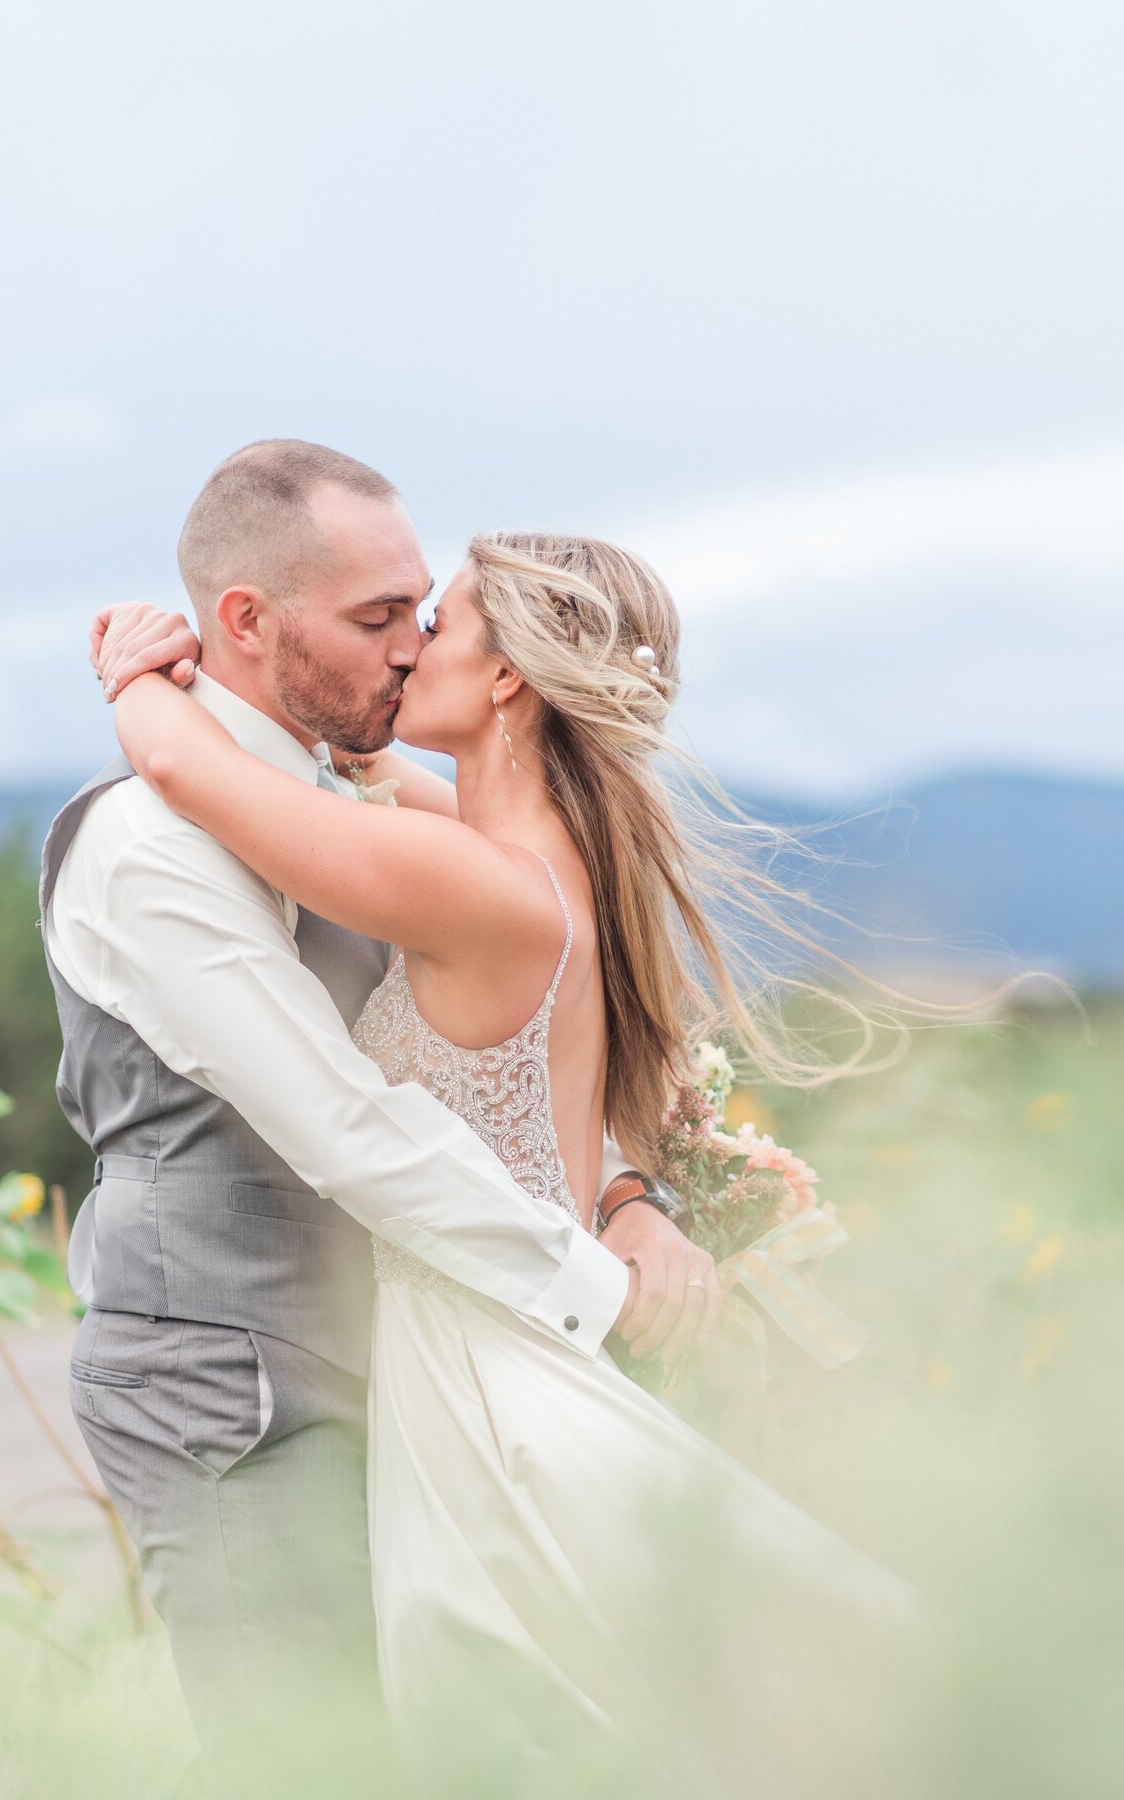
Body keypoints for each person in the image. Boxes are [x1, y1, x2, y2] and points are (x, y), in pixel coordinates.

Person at [95, 491, 926, 1790]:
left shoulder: (478, 882)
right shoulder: (522, 851)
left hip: (483, 1352)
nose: (408, 646)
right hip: (490, 1328)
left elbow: (185, 773)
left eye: (436, 622)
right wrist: (636, 1193)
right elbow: (368, 785)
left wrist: (131, 669)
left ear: (505, 687)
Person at [43, 442, 713, 1799]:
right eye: (375, 620)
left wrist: (628, 1195)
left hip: (414, 1369)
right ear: (247, 621)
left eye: (423, 611)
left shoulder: (367, 811)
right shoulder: (150, 845)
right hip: (234, 1401)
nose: (409, 651)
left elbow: (531, 1043)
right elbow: (348, 1126)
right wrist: (590, 1281)